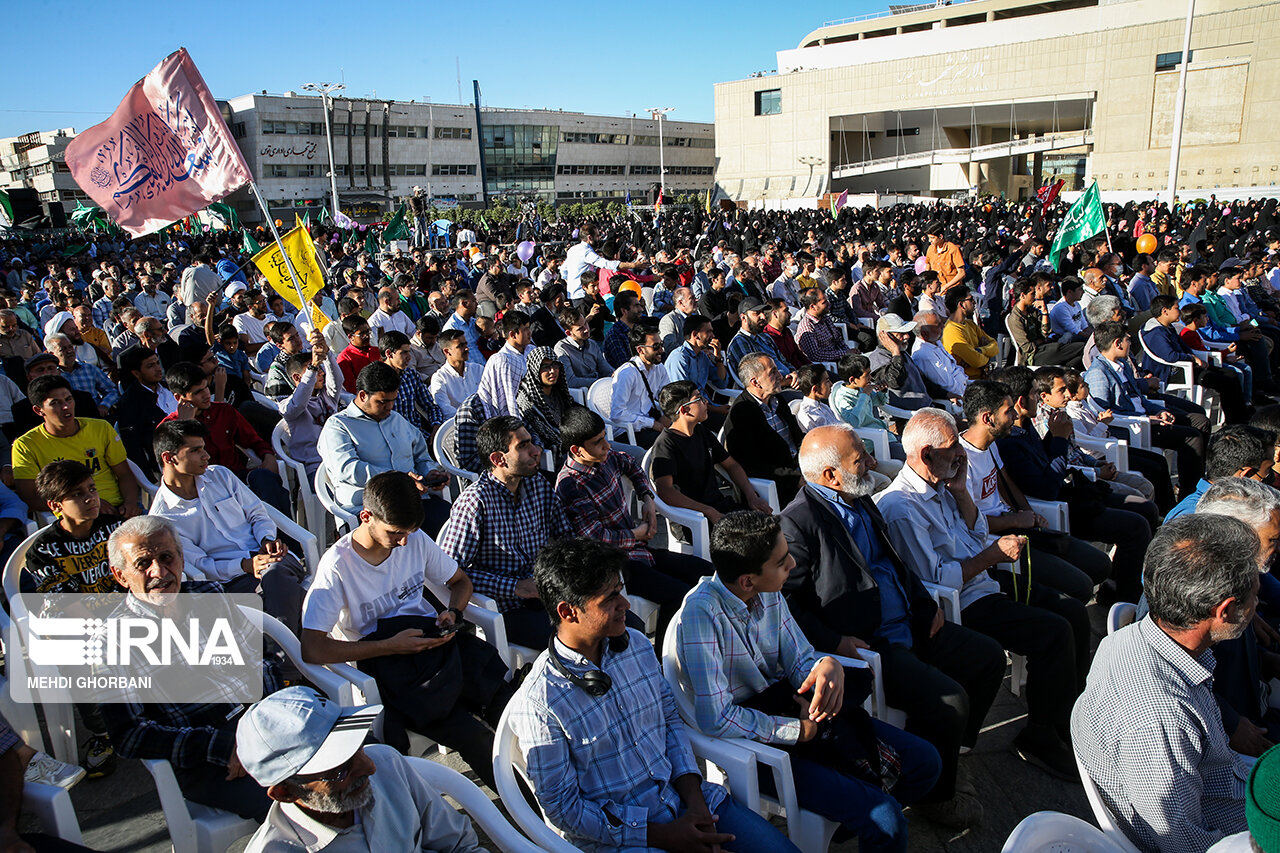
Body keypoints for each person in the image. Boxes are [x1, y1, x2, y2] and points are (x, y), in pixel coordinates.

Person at [507, 536, 802, 853]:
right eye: (610, 598)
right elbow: (565, 810)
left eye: (621, 590)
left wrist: (695, 801)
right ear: (568, 611)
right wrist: (662, 836)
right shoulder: (541, 702)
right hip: (627, 841)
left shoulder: (634, 645)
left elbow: (670, 720)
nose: (626, 604)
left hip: (689, 802)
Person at [677, 510, 944, 847]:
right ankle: (861, 813)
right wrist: (796, 731)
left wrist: (824, 669)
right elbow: (716, 718)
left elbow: (799, 658)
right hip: (758, 745)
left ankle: (850, 818)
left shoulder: (768, 590)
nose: (791, 564)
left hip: (798, 713)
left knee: (926, 763)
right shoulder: (702, 615)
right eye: (782, 561)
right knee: (887, 818)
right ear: (748, 580)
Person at [781, 426, 1004, 828]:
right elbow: (787, 602)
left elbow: (893, 560)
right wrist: (834, 640)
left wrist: (922, 601)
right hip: (872, 642)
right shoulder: (799, 523)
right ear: (830, 475)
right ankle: (933, 798)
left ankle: (948, 753)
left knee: (987, 659)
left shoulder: (860, 498)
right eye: (858, 459)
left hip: (911, 621)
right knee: (949, 700)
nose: (870, 462)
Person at [876, 408, 1085, 779]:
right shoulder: (901, 507)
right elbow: (937, 581)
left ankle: (1066, 717)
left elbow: (972, 535)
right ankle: (1038, 736)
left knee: (1072, 612)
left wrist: (961, 494)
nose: (961, 454)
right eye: (953, 447)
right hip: (964, 602)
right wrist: (991, 556)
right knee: (1054, 632)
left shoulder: (943, 485)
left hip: (984, 583)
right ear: (927, 454)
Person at [300, 472, 510, 785]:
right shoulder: (338, 567)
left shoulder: (414, 539)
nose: (404, 542)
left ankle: (549, 786)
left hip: (431, 644)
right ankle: (523, 813)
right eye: (396, 533)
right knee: (474, 736)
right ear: (366, 516)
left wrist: (452, 612)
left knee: (508, 705)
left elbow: (460, 582)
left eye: (409, 532)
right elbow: (312, 648)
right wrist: (391, 646)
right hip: (387, 666)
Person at [1072, 514, 1258, 853]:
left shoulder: (1131, 638)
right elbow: (1184, 844)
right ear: (1225, 610)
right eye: (1253, 599)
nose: (1256, 606)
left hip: (1235, 790)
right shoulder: (1161, 719)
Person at [99, 515, 279, 821]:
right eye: (143, 564)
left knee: (365, 760)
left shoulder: (211, 595)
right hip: (209, 758)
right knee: (303, 803)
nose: (160, 571)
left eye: (167, 557)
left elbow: (260, 661)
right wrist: (222, 746)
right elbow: (129, 734)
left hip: (263, 726)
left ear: (181, 559)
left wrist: (269, 718)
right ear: (121, 575)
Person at [237, 685, 486, 853]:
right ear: (285, 793)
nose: (369, 767)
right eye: (339, 770)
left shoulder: (389, 764)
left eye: (358, 747)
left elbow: (460, 845)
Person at [555, 405, 707, 641]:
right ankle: (664, 656)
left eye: (605, 438)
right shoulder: (571, 485)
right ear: (577, 450)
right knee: (679, 595)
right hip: (614, 565)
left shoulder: (606, 458)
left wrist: (647, 498)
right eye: (598, 442)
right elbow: (595, 537)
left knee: (705, 574)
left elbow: (632, 466)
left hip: (640, 550)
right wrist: (636, 534)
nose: (606, 445)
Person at [438, 416, 573, 649]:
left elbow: (565, 535)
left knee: (619, 623)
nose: (536, 451)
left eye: (532, 443)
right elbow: (449, 572)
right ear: (498, 459)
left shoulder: (537, 484)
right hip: (507, 609)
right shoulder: (475, 503)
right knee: (580, 640)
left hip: (547, 594)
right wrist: (516, 588)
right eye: (523, 446)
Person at [317, 362, 451, 534]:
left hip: (414, 501)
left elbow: (420, 456)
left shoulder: (397, 420)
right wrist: (398, 480)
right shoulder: (338, 426)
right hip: (371, 510)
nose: (390, 407)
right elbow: (347, 469)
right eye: (382, 402)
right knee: (415, 538)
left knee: (457, 527)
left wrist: (430, 473)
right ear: (363, 395)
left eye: (393, 401)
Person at [1085, 321, 1209, 488]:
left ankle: (1196, 475)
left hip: (1147, 416)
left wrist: (1160, 411)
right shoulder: (1098, 374)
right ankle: (1190, 489)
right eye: (1127, 340)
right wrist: (1148, 419)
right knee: (1191, 437)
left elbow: (1139, 398)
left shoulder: (1122, 365)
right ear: (1117, 343)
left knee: (1200, 421)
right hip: (1135, 426)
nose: (1130, 343)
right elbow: (1106, 412)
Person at [159, 361, 292, 517]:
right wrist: (186, 425)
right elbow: (174, 473)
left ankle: (284, 539)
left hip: (236, 478)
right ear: (179, 397)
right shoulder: (169, 428)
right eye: (198, 392)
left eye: (206, 387)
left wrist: (268, 456)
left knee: (267, 481)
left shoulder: (223, 411)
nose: (206, 394)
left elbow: (253, 440)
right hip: (203, 492)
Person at [12, 375, 140, 517]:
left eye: (68, 399)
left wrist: (130, 503)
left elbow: (124, 474)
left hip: (116, 509)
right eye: (55, 403)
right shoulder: (25, 445)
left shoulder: (101, 428)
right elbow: (31, 498)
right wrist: (87, 503)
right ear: (39, 410)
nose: (66, 407)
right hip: (71, 519)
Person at [1141, 293, 1252, 424]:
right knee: (1224, 381)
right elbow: (1170, 356)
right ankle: (1234, 421)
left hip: (1186, 365)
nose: (1179, 311)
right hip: (1172, 371)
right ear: (1165, 311)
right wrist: (1192, 358)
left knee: (1231, 374)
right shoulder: (1155, 332)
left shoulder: (1168, 327)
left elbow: (1185, 348)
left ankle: (1240, 415)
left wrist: (1197, 358)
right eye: (1176, 308)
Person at [724, 353, 804, 505]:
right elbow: (751, 465)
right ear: (755, 382)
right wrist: (794, 478)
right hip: (777, 485)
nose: (780, 375)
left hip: (799, 468)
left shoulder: (777, 400)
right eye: (772, 372)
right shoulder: (741, 414)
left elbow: (797, 437)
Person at [277, 347, 341, 481]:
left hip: (339, 459)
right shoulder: (287, 405)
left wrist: (327, 353)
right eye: (316, 370)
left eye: (319, 368)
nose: (321, 373)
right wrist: (313, 368)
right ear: (297, 377)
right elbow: (298, 404)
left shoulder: (326, 394)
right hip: (316, 468)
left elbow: (338, 380)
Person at [113, 345, 177, 479]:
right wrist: (150, 479)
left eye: (157, 363)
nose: (158, 369)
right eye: (150, 366)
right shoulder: (130, 403)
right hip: (163, 465)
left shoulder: (168, 388)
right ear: (136, 373)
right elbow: (133, 447)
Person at [610, 322, 671, 448]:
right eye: (656, 346)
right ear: (640, 349)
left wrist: (667, 416)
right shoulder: (627, 373)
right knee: (669, 443)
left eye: (661, 345)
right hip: (626, 431)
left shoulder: (659, 368)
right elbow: (617, 414)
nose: (661, 350)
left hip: (648, 422)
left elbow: (668, 396)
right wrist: (651, 423)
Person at [379, 330, 444, 439]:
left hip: (417, 435)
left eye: (409, 352)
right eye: (404, 353)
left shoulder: (410, 375)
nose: (409, 357)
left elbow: (430, 406)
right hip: (391, 438)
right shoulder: (377, 379)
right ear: (389, 354)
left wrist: (436, 427)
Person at [1007, 279, 1086, 367]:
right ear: (1023, 295)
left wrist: (1044, 312)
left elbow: (1046, 332)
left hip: (1045, 348)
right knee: (1081, 347)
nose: (1035, 296)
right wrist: (1041, 340)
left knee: (1078, 357)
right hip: (1033, 356)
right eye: (1032, 294)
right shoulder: (1015, 318)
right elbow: (1027, 347)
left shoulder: (1032, 311)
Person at [563, 222, 646, 301]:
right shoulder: (586, 252)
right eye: (597, 236)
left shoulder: (573, 250)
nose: (599, 238)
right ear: (590, 238)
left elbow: (563, 270)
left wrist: (570, 282)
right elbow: (605, 264)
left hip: (573, 294)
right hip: (583, 295)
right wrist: (633, 265)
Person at [867, 313, 932, 409]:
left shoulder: (903, 354)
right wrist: (895, 353)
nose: (907, 336)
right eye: (901, 334)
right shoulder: (878, 358)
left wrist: (946, 394)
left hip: (926, 408)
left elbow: (922, 380)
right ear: (885, 336)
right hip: (906, 414)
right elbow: (894, 382)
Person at [477, 309, 532, 417]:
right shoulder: (502, 360)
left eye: (529, 328)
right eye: (525, 329)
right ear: (512, 334)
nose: (529, 332)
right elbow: (507, 400)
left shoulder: (531, 350)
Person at [940, 286, 998, 379]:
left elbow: (995, 346)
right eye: (971, 299)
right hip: (968, 382)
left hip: (982, 377)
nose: (974, 302)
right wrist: (986, 356)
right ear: (961, 305)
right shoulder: (952, 330)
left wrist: (980, 350)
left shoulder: (970, 324)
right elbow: (976, 361)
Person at [911, 310, 969, 399]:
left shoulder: (935, 340)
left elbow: (955, 368)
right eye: (938, 325)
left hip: (964, 384)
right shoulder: (924, 354)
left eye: (941, 323)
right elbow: (950, 387)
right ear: (924, 334)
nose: (943, 326)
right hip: (960, 394)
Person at [553, 308, 612, 390]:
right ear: (568, 333)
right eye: (580, 329)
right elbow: (571, 381)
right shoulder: (562, 349)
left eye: (586, 323)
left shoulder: (592, 344)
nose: (586, 329)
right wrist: (599, 382)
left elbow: (605, 369)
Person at [795, 287, 856, 365]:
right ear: (812, 307)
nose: (828, 304)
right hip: (828, 364)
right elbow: (815, 356)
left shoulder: (825, 318)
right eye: (824, 302)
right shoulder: (807, 327)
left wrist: (849, 354)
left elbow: (838, 340)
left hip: (839, 358)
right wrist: (844, 353)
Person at [335, 315, 380, 394]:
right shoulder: (345, 358)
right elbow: (351, 387)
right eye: (362, 334)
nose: (367, 336)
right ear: (350, 336)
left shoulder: (376, 351)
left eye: (368, 332)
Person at [603, 289, 644, 370]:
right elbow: (625, 366)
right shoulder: (614, 335)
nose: (641, 309)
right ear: (624, 310)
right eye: (636, 306)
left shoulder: (640, 330)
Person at [924, 221, 965, 292]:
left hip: (952, 290)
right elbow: (928, 268)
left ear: (940, 236)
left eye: (932, 238)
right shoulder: (930, 249)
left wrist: (946, 286)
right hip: (937, 290)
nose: (930, 240)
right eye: (929, 238)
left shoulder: (953, 249)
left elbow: (962, 273)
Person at [1049, 276, 1090, 342]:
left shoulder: (1076, 304)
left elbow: (1084, 325)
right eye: (1080, 289)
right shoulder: (1061, 308)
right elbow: (1073, 330)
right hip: (1066, 340)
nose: (1083, 292)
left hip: (1078, 336)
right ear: (1070, 292)